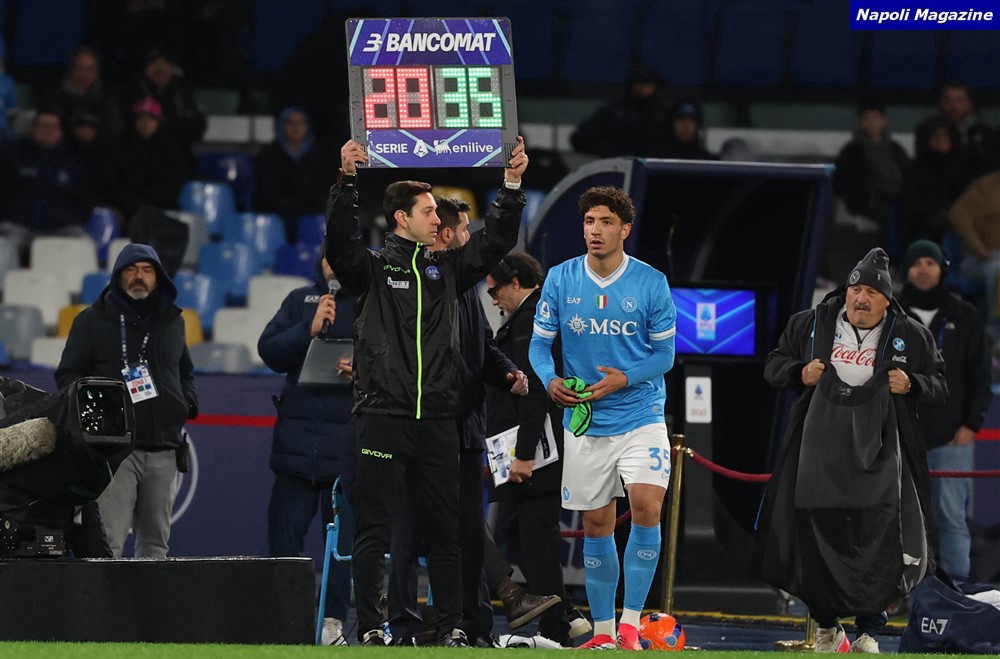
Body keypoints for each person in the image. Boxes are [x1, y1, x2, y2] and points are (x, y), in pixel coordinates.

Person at [325, 137, 529, 646]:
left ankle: (454, 626)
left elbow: (495, 241)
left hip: (438, 418)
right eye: (428, 211)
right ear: (401, 218)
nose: (438, 219)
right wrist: (346, 182)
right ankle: (372, 628)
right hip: (383, 416)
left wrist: (511, 185)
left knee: (444, 531)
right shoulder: (372, 270)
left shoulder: (449, 270)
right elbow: (339, 244)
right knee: (374, 529)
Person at [755, 247, 946, 653]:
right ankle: (827, 626)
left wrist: (912, 384)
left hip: (881, 457)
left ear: (886, 299)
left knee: (876, 541)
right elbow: (773, 364)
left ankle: (870, 630)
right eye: (855, 289)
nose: (861, 298)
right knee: (814, 537)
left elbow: (940, 384)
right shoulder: (811, 323)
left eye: (871, 292)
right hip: (819, 455)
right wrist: (798, 372)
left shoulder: (911, 334)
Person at [528, 186, 677, 651]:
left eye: (606, 222)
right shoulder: (560, 278)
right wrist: (550, 379)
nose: (596, 230)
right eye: (590, 221)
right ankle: (604, 632)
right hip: (587, 419)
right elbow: (539, 344)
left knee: (647, 506)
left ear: (625, 229)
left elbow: (666, 356)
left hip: (641, 413)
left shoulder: (651, 282)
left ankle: (630, 625)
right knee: (596, 524)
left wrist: (624, 379)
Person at [387, 196, 530, 647]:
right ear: (446, 235)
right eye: (465, 231)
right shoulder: (414, 282)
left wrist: (507, 373)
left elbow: (483, 346)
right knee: (410, 533)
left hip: (466, 428)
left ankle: (473, 625)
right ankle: (404, 626)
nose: (468, 238)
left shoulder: (465, 286)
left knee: (468, 532)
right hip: (424, 427)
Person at [55, 244, 198, 557]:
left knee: (155, 546)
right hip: (114, 451)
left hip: (165, 449)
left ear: (159, 278)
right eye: (131, 269)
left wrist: (186, 401)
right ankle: (104, 594)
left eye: (147, 270)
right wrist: (97, 415)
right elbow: (67, 375)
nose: (139, 276)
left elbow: (185, 370)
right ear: (118, 276)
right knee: (109, 543)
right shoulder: (91, 321)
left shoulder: (173, 321)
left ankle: (149, 595)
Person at [485, 250, 591, 646]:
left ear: (515, 283)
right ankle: (564, 615)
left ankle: (557, 627)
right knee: (517, 533)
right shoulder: (531, 318)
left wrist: (524, 455)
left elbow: (534, 393)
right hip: (529, 446)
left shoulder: (532, 321)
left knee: (534, 536)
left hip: (535, 450)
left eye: (495, 290)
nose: (493, 299)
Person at [256, 252, 357, 645]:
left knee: (341, 549)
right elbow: (269, 351)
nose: (334, 264)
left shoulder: (368, 303)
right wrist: (307, 329)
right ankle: (285, 617)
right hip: (294, 451)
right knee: (284, 543)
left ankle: (332, 621)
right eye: (329, 257)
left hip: (344, 450)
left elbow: (392, 360)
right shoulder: (299, 300)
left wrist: (363, 369)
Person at [898, 240, 992, 582]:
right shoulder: (890, 313)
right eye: (916, 263)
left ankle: (955, 591)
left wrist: (971, 425)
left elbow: (981, 375)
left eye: (930, 262)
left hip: (951, 438)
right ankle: (895, 590)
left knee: (951, 517)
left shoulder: (964, 315)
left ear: (942, 269)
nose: (923, 269)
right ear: (906, 270)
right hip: (898, 437)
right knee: (896, 516)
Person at [0, 108, 93, 258]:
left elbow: (85, 198)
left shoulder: (74, 160)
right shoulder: (13, 156)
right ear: (32, 129)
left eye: (53, 126)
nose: (47, 130)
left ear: (61, 131)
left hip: (62, 227)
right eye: (42, 126)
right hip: (19, 225)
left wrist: (69, 217)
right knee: (2, 246)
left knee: (84, 244)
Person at [832, 100, 910, 249]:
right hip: (868, 206)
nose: (872, 123)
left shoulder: (895, 149)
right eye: (867, 119)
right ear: (861, 122)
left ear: (884, 121)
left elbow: (908, 176)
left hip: (897, 202)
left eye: (876, 118)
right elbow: (841, 182)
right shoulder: (852, 151)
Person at [252, 107, 334, 242]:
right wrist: (295, 209)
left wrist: (312, 209)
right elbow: (267, 191)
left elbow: (324, 187)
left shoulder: (318, 155)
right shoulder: (267, 155)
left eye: (301, 122)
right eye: (290, 122)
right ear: (281, 126)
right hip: (278, 215)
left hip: (312, 213)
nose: (296, 127)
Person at [109, 96, 195, 224]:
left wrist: (149, 203)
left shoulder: (171, 148)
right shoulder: (121, 147)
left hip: (162, 207)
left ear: (158, 121)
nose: (145, 123)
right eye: (140, 118)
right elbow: (116, 182)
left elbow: (174, 182)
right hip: (129, 210)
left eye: (150, 118)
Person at [570, 66, 673, 159]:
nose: (643, 88)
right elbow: (581, 138)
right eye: (639, 84)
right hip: (618, 166)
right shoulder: (613, 112)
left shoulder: (664, 113)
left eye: (647, 84)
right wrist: (611, 152)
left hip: (655, 166)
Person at [898, 115, 970, 247]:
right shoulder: (916, 170)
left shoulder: (961, 167)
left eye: (944, 136)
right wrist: (937, 215)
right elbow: (911, 204)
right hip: (925, 228)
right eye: (935, 136)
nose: (940, 140)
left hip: (961, 223)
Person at [119, 48, 206, 148]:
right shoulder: (134, 92)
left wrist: (164, 123)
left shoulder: (181, 90)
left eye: (165, 62)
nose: (160, 67)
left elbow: (197, 125)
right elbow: (135, 129)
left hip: (178, 150)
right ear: (146, 68)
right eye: (154, 62)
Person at [949, 170, 1000, 333]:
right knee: (997, 270)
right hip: (981, 259)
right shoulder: (985, 187)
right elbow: (958, 214)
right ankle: (995, 331)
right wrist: (979, 249)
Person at [937, 82, 997, 178]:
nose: (953, 106)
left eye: (959, 101)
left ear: (970, 104)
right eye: (948, 100)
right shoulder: (931, 132)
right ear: (941, 103)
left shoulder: (985, 133)